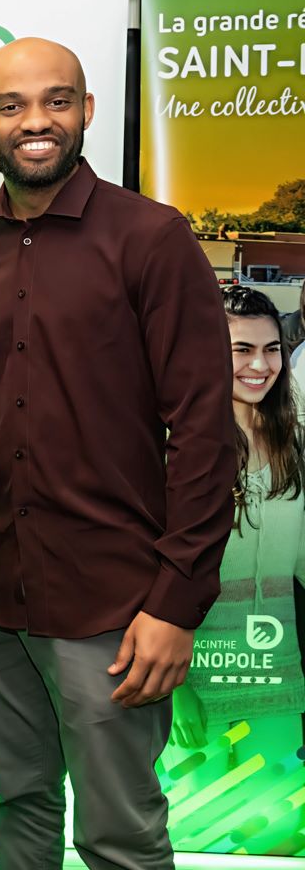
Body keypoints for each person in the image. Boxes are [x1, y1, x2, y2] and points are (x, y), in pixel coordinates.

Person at [0, 37, 237, 870]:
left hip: (115, 603)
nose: (37, 121)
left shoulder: (152, 238)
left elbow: (207, 432)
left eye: (57, 100)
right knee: (19, 811)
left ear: (88, 111)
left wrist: (177, 601)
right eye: (12, 104)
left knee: (121, 837)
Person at [167, 287, 305, 803]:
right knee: (194, 825)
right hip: (192, 676)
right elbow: (152, 570)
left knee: (271, 827)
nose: (259, 364)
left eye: (271, 349)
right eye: (240, 349)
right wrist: (176, 691)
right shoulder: (177, 446)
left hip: (275, 673)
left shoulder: (294, 442)